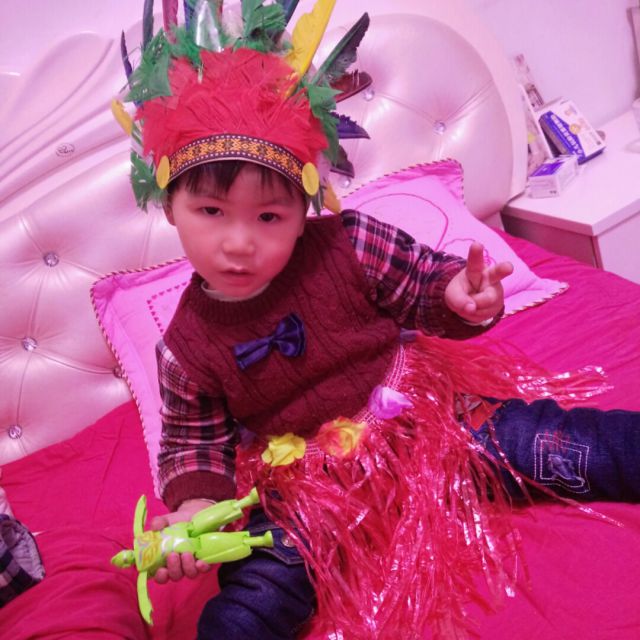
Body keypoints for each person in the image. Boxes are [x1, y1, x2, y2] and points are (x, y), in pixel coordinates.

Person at [113, 2, 640, 638]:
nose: (240, 243)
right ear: (170, 206)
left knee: (546, 442)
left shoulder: (350, 242)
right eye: (211, 212)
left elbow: (424, 282)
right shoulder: (184, 348)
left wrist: (459, 295)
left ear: (303, 211)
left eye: (269, 216)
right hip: (305, 483)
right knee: (260, 588)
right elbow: (192, 445)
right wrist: (195, 512)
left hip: (417, 423)